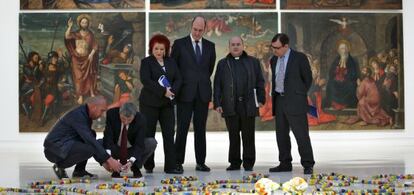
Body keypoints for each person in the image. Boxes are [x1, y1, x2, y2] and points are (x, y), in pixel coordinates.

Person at [171, 16, 216, 172]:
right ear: (191, 27)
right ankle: (177, 162)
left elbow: (208, 69)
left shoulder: (211, 46)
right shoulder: (179, 44)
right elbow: (173, 68)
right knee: (182, 128)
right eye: (195, 29)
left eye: (200, 30)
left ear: (205, 29)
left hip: (202, 94)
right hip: (184, 94)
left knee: (200, 129)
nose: (197, 33)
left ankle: (201, 162)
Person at [213, 36, 265, 171]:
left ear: (243, 46)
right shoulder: (223, 64)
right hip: (230, 105)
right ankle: (234, 163)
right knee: (233, 136)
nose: (235, 47)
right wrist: (217, 103)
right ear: (229, 47)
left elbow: (260, 81)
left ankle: (249, 163)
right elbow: (217, 85)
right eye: (233, 45)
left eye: (238, 44)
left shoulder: (253, 62)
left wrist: (260, 99)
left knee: (248, 136)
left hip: (248, 105)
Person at [43, 95, 122, 179]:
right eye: (102, 111)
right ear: (94, 107)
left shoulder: (84, 113)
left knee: (92, 134)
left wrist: (103, 162)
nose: (102, 114)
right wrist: (109, 159)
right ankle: (60, 166)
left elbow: (89, 138)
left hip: (63, 144)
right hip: (54, 149)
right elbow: (90, 140)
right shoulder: (78, 115)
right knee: (90, 147)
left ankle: (79, 171)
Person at [268, 33, 315, 174]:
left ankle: (308, 164)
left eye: (277, 48)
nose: (274, 50)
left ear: (286, 46)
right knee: (281, 135)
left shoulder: (300, 58)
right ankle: (285, 163)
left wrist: (298, 94)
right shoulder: (273, 60)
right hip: (279, 101)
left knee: (301, 134)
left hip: (295, 101)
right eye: (273, 47)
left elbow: (308, 79)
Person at [139, 34, 183, 174]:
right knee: (149, 135)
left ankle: (170, 166)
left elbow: (178, 79)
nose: (159, 51)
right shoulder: (146, 62)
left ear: (166, 50)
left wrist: (172, 91)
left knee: (169, 135)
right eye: (156, 48)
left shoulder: (171, 62)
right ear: (151, 48)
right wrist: (163, 91)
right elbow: (146, 81)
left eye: (161, 49)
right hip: (149, 104)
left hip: (167, 105)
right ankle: (148, 165)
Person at [103, 102, 157, 178]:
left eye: (129, 120)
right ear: (119, 113)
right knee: (99, 143)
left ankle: (135, 167)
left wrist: (131, 161)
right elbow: (108, 136)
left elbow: (139, 143)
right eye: (123, 118)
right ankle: (115, 168)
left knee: (151, 143)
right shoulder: (111, 114)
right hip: (115, 148)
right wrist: (109, 159)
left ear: (134, 116)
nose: (125, 122)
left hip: (132, 149)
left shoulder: (141, 119)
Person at [65, 14, 99, 104]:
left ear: (88, 24)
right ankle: (80, 95)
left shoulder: (90, 34)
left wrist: (91, 55)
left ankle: (91, 92)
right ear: (80, 23)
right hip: (76, 59)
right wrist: (70, 27)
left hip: (87, 58)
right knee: (78, 77)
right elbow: (67, 36)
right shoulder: (76, 33)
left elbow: (95, 46)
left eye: (86, 22)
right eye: (82, 22)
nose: (84, 24)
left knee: (89, 76)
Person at [325, 39, 359, 110]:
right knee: (331, 83)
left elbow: (354, 73)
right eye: (341, 48)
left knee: (350, 85)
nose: (342, 50)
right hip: (336, 79)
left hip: (348, 79)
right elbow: (331, 72)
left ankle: (347, 105)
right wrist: (336, 71)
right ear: (339, 50)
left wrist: (346, 74)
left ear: (347, 49)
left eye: (344, 48)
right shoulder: (336, 60)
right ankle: (334, 104)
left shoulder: (352, 60)